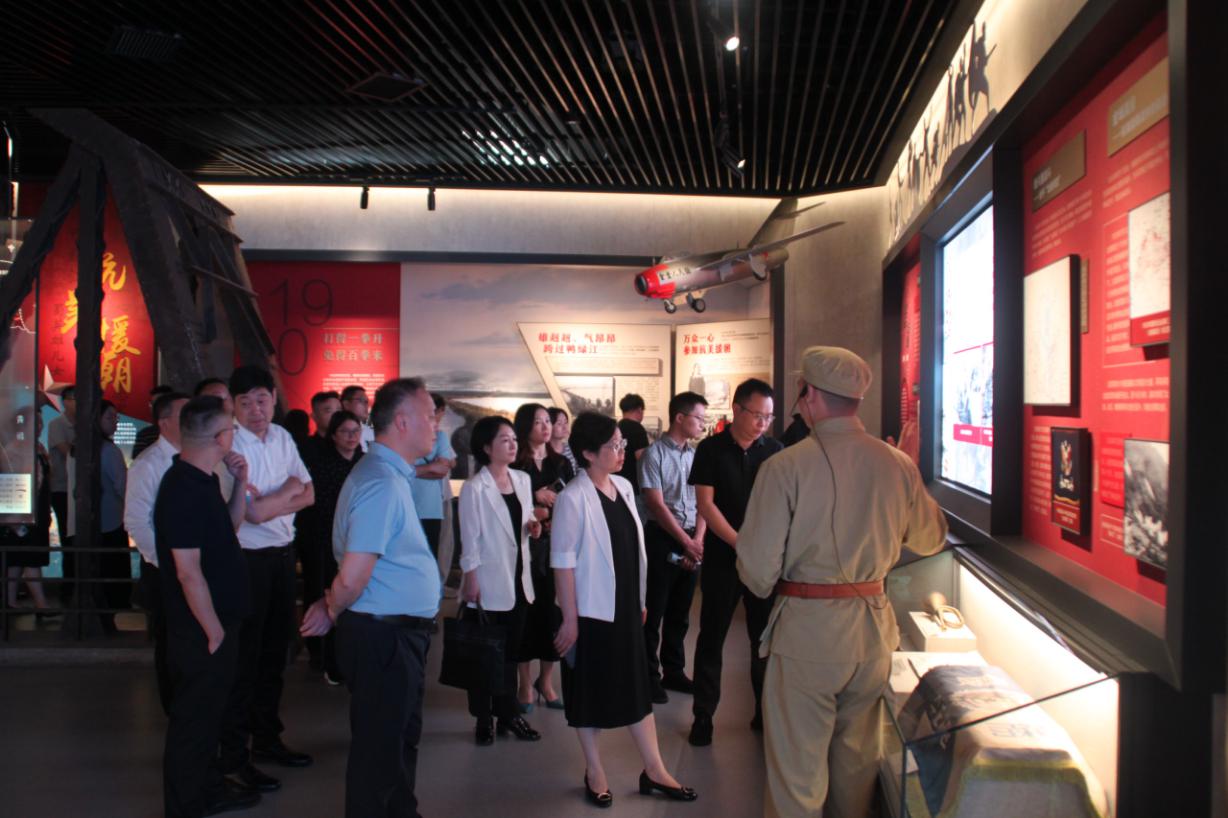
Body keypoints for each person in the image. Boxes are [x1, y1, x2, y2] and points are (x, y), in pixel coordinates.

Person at [736, 347, 948, 818]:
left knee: (797, 777)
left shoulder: (784, 467)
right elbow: (931, 538)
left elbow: (757, 572)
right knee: (857, 769)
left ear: (809, 395)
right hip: (873, 633)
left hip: (807, 634)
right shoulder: (897, 464)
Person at [300, 377, 442, 818]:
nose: (436, 425)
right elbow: (354, 573)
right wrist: (331, 606)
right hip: (384, 638)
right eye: (429, 416)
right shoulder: (381, 482)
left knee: (397, 743)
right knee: (379, 751)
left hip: (395, 635)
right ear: (402, 422)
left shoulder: (388, 475)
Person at [552, 412, 697, 808]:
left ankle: (655, 769)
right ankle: (594, 770)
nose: (621, 452)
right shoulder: (572, 498)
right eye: (613, 446)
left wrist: (641, 601)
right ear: (588, 453)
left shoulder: (624, 487)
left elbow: (634, 552)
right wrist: (570, 619)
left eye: (622, 444)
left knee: (636, 687)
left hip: (627, 607)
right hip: (591, 611)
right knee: (590, 691)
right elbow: (562, 563)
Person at [156, 395, 258, 818]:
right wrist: (213, 630)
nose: (234, 435)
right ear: (220, 437)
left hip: (219, 622)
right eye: (232, 428)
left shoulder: (205, 480)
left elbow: (229, 528)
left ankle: (208, 789)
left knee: (211, 716)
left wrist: (239, 483)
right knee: (193, 722)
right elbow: (187, 572)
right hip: (201, 629)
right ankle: (186, 805)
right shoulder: (181, 489)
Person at [218, 366, 315, 794]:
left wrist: (279, 498)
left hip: (282, 556)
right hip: (247, 560)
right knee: (247, 659)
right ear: (233, 407)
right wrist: (288, 492)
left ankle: (267, 739)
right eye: (245, 402)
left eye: (261, 399)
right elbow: (252, 514)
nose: (255, 409)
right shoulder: (229, 445)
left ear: (273, 399)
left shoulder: (282, 437)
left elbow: (310, 493)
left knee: (276, 654)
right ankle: (235, 756)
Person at [687, 378, 783, 746]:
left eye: (768, 417)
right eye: (757, 415)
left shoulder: (775, 451)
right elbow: (706, 505)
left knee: (763, 639)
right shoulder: (711, 449)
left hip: (764, 562)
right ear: (737, 410)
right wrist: (740, 542)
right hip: (722, 560)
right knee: (712, 638)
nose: (762, 423)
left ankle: (764, 712)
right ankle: (703, 715)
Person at [458, 415, 542, 745]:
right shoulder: (474, 488)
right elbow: (470, 540)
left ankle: (508, 714)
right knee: (484, 654)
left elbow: (523, 520)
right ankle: (483, 718)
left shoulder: (522, 479)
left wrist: (533, 526)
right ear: (486, 447)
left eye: (514, 439)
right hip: (488, 581)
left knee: (510, 653)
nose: (512, 445)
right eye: (504, 440)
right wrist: (471, 579)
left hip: (519, 580)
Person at [125, 390, 191, 714]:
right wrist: (168, 561)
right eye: (184, 416)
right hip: (166, 569)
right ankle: (174, 710)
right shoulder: (148, 464)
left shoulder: (196, 458)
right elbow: (136, 521)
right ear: (164, 423)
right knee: (170, 643)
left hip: (194, 567)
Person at [639, 391, 708, 704]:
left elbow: (705, 501)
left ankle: (674, 671)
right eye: (698, 418)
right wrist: (686, 542)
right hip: (663, 537)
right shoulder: (654, 455)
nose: (702, 424)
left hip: (693, 539)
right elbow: (655, 504)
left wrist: (698, 541)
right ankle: (648, 676)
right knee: (654, 611)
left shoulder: (696, 456)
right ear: (680, 417)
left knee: (680, 612)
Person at [510, 402, 573, 713]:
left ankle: (546, 681)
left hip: (554, 547)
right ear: (525, 426)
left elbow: (572, 501)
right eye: (538, 422)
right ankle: (524, 683)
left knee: (551, 614)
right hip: (522, 548)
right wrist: (535, 499)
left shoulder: (561, 463)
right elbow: (507, 503)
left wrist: (552, 508)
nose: (546, 427)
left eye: (548, 421)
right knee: (524, 614)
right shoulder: (516, 463)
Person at [298, 410, 364, 685]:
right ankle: (326, 658)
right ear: (333, 435)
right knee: (327, 598)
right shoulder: (322, 464)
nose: (351, 437)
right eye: (345, 432)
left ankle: (352, 660)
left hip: (358, 543)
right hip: (327, 541)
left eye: (356, 431)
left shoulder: (364, 463)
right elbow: (319, 506)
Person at [2, 422, 52, 617]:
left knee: (17, 559)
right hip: (23, 513)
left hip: (34, 511)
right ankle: (42, 605)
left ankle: (10, 602)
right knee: (31, 559)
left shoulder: (39, 447)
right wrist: (16, 520)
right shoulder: (16, 449)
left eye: (40, 422)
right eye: (35, 422)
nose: (39, 426)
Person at [411, 393, 456, 562]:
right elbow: (396, 470)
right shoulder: (405, 436)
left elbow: (442, 471)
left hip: (431, 508)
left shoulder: (441, 437)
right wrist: (430, 467)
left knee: (429, 559)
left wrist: (412, 471)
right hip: (406, 505)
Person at [47, 384, 75, 599]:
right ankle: (68, 588)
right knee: (68, 538)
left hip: (78, 489)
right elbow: (69, 453)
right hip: (62, 488)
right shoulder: (57, 424)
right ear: (65, 402)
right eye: (73, 398)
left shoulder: (85, 423)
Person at [615, 393, 650, 498]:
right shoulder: (637, 429)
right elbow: (643, 459)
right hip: (633, 485)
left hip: (617, 482)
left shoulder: (617, 427)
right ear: (639, 409)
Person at [300, 390, 342, 469]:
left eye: (339, 410)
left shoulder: (349, 442)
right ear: (314, 416)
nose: (336, 415)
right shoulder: (307, 447)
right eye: (328, 411)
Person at [133, 385, 173, 460]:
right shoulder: (144, 435)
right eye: (152, 404)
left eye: (158, 403)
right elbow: (138, 461)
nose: (154, 408)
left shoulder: (181, 431)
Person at [340, 385, 374, 451]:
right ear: (346, 404)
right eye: (361, 400)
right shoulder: (338, 432)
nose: (366, 405)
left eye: (367, 402)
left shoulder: (372, 433)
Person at [548, 407, 579, 474]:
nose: (565, 427)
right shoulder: (544, 453)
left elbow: (578, 471)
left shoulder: (572, 447)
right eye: (559, 424)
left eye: (566, 422)